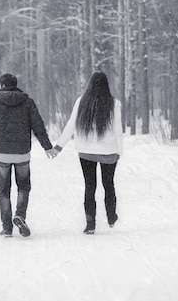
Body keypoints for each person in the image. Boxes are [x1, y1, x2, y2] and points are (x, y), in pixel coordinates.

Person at [0, 73, 57, 237]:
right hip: (22, 153)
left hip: (2, 155)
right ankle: (20, 215)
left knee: (4, 191)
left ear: (1, 85)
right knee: (23, 187)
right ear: (15, 85)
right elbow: (38, 126)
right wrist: (47, 147)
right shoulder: (27, 102)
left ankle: (7, 227)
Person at [52, 72, 123, 235]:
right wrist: (119, 151)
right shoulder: (114, 103)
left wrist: (59, 146)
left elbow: (71, 125)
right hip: (108, 151)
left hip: (86, 152)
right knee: (108, 184)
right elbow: (118, 130)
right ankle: (111, 217)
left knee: (90, 186)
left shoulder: (82, 101)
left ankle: (90, 224)